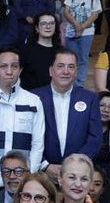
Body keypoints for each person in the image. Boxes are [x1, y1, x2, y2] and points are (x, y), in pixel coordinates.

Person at [0, 48, 45, 189]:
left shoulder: (33, 101)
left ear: (20, 70)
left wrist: (29, 175)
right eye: (3, 66)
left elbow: (38, 144)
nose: (9, 71)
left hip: (22, 181)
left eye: (14, 66)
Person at [35, 49, 102, 180]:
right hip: (42, 174)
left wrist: (74, 166)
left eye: (71, 67)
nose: (66, 71)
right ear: (50, 70)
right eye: (60, 66)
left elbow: (95, 138)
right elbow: (27, 137)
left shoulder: (90, 98)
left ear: (76, 72)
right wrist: (44, 165)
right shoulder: (34, 97)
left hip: (77, 175)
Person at [60, 0, 102, 85]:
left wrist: (81, 27)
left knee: (83, 58)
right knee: (71, 58)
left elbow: (95, 15)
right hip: (71, 31)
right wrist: (76, 24)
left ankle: (80, 83)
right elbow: (66, 11)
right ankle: (70, 81)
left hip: (87, 32)